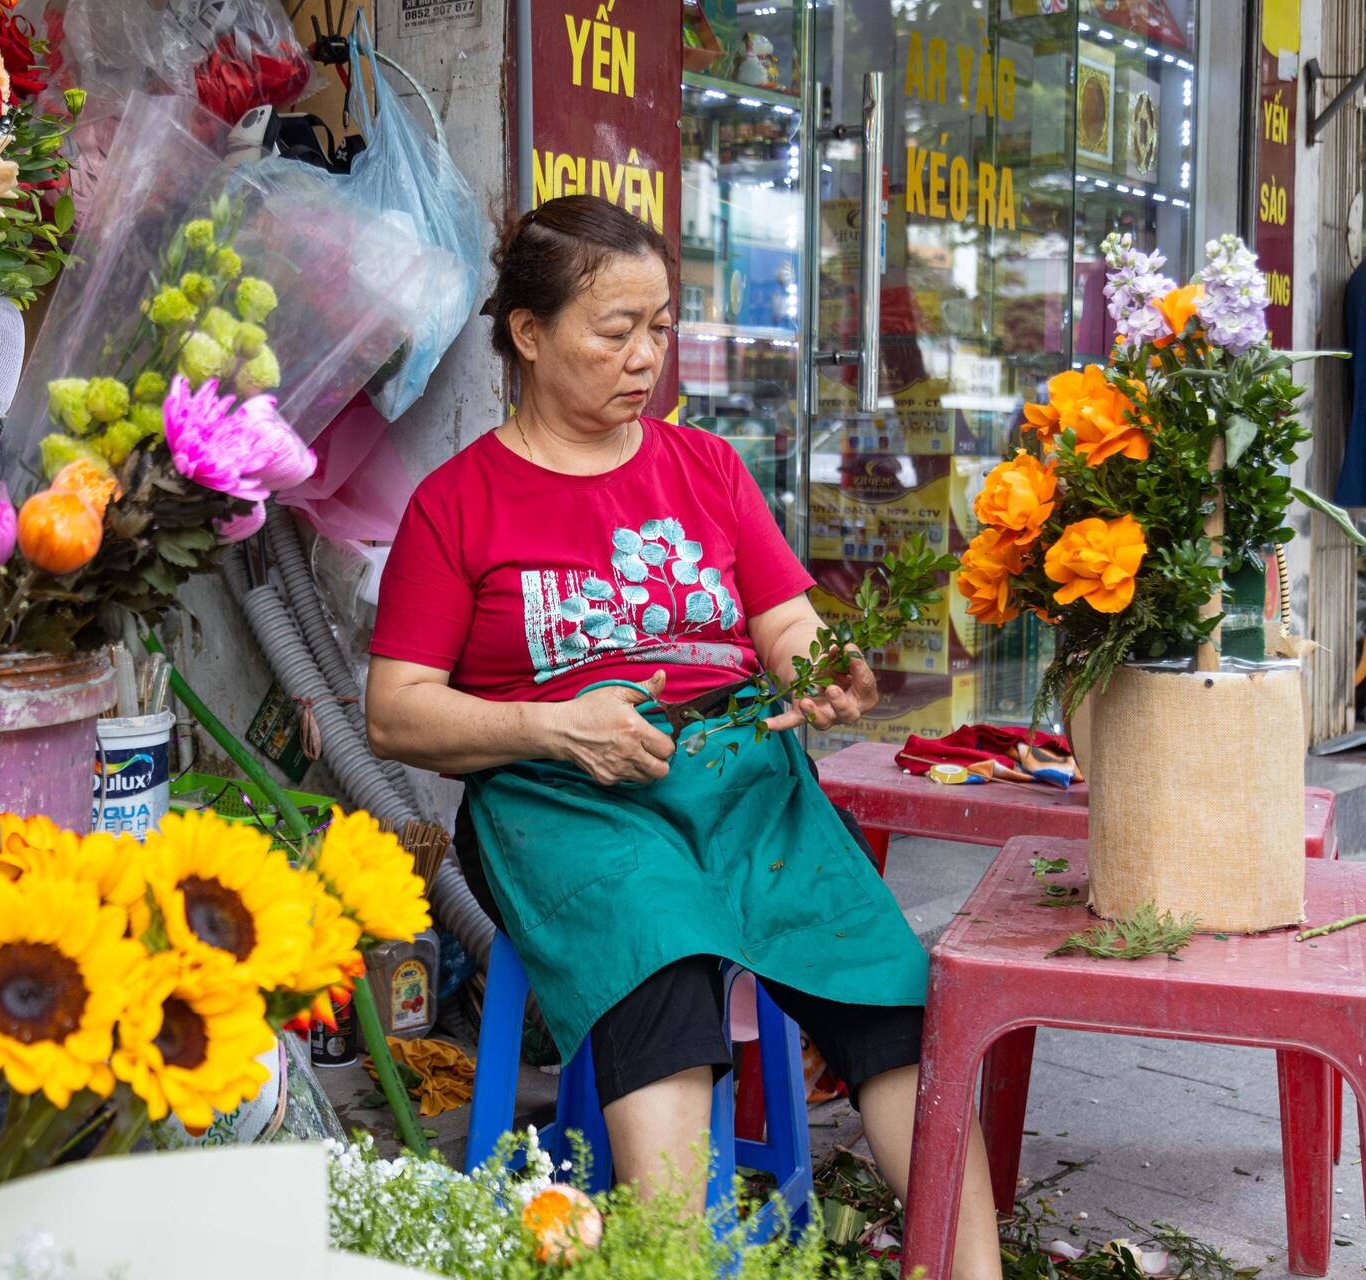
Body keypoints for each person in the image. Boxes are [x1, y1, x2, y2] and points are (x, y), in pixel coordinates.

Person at [365, 194, 1002, 1279]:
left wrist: (819, 664)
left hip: (743, 782)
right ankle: (676, 1263)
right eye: (616, 330)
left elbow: (783, 621)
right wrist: (551, 726)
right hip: (563, 799)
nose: (646, 357)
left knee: (889, 990)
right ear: (529, 332)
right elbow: (395, 710)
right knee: (655, 961)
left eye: (660, 327)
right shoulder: (456, 503)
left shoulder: (705, 466)